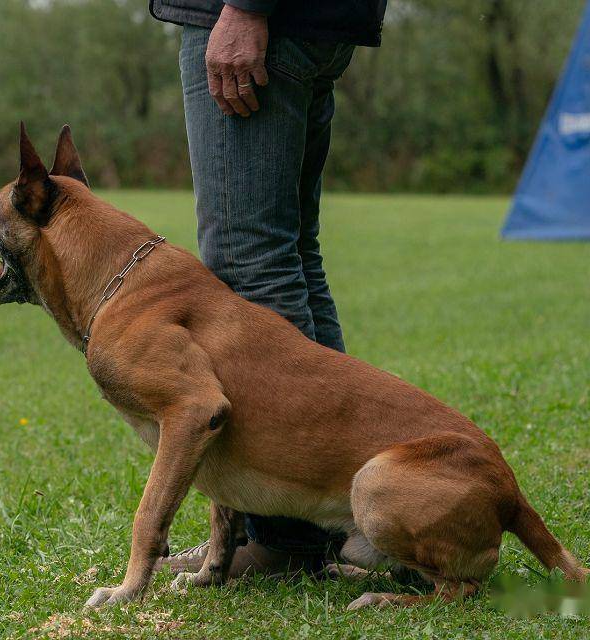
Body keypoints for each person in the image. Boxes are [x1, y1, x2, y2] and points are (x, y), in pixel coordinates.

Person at [149, 0, 388, 578]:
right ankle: (342, 513)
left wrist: (247, 7)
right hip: (306, 23)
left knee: (249, 261)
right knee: (290, 258)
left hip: (262, 19)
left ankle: (285, 537)